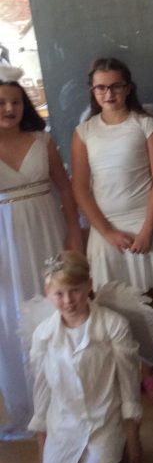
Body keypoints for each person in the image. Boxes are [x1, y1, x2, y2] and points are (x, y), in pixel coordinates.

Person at [71, 57, 153, 402]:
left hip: (144, 225)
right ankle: (126, 370)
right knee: (112, 303)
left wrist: (146, 231)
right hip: (106, 232)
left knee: (151, 302)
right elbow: (80, 188)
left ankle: (151, 370)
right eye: (101, 87)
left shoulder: (146, 125)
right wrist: (106, 232)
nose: (109, 93)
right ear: (93, 91)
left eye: (115, 86)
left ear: (128, 88)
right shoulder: (85, 132)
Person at [0, 66, 81, 440]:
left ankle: (71, 400)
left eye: (16, 102)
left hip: (48, 230)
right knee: (13, 315)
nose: (9, 109)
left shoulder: (41, 140)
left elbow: (65, 188)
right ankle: (31, 409)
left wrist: (73, 233)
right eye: (2, 102)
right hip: (6, 243)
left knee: (57, 307)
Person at [29, 251, 142, 463]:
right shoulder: (43, 335)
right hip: (63, 424)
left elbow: (128, 382)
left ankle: (108, 454)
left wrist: (133, 435)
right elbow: (41, 390)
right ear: (48, 294)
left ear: (89, 285)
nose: (68, 301)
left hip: (103, 420)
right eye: (59, 294)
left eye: (75, 291)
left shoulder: (113, 325)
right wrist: (42, 446)